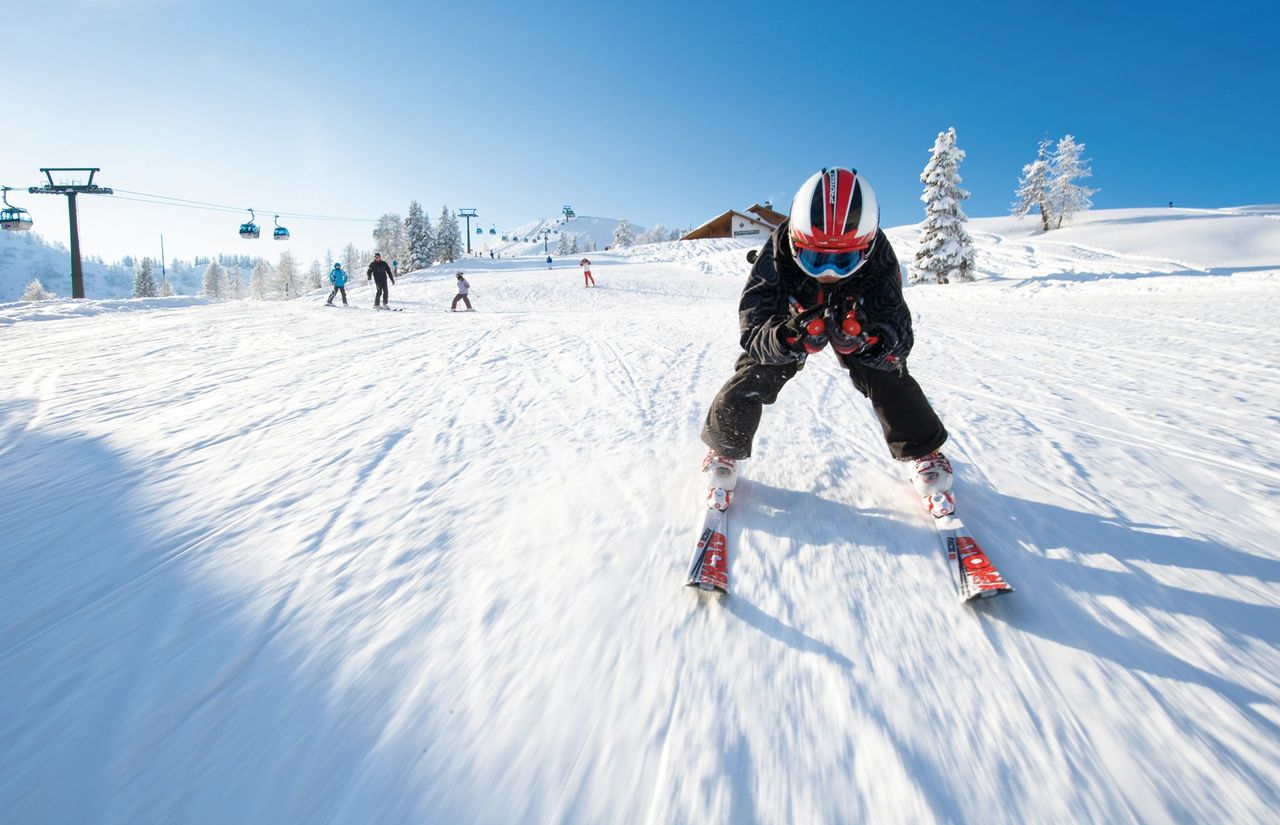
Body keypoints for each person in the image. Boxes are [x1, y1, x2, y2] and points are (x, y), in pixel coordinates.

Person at [700, 167, 952, 512]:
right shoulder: (777, 253)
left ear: (864, 249)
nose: (829, 272)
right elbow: (753, 328)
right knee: (758, 368)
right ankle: (724, 446)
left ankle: (924, 450)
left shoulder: (878, 257)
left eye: (843, 260)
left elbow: (898, 331)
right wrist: (787, 338)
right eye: (815, 258)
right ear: (795, 242)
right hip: (796, 309)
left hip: (857, 311)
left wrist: (871, 342)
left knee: (887, 371)